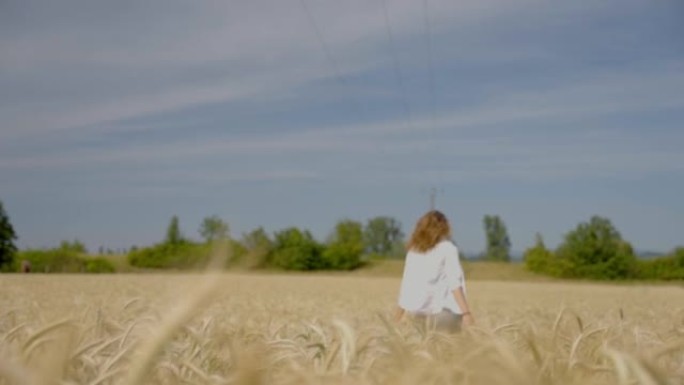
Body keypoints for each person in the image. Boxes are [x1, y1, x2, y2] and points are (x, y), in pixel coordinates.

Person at [395, 210, 474, 332]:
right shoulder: (448, 248)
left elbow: (406, 287)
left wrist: (396, 319)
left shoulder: (413, 251)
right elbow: (454, 283)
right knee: (450, 350)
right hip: (445, 315)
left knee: (424, 349)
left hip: (419, 317)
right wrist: (466, 313)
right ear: (444, 227)